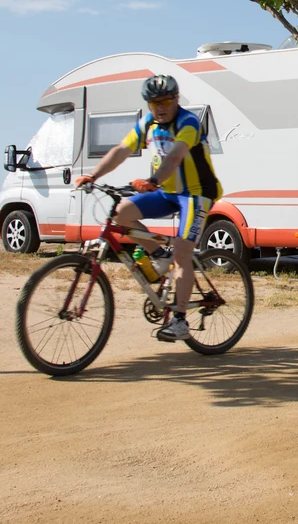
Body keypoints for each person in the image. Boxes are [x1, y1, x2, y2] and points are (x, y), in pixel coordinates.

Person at [76, 74, 222, 343]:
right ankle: (159, 254)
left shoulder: (188, 122)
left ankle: (180, 320)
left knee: (182, 252)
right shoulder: (148, 123)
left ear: (176, 99)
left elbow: (176, 157)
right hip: (167, 192)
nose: (160, 107)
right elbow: (121, 149)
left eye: (166, 101)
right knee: (121, 213)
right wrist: (93, 176)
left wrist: (153, 180)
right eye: (154, 102)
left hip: (197, 194)